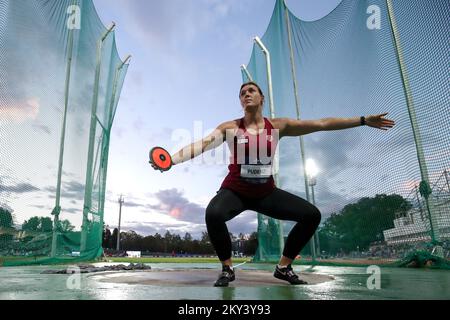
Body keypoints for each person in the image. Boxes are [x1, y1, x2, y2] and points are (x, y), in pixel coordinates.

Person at [150, 81, 395, 287]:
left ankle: (284, 268)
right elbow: (201, 145)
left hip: (266, 192)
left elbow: (322, 124)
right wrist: (172, 159)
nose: (246, 94)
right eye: (242, 93)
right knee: (213, 213)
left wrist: (362, 120)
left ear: (261, 98)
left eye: (251, 91)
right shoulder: (230, 127)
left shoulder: (278, 126)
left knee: (311, 215)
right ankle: (227, 268)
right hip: (234, 190)